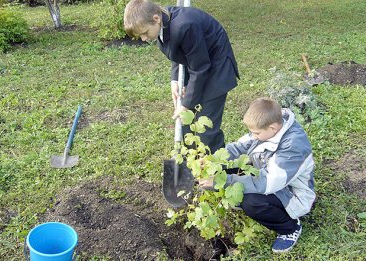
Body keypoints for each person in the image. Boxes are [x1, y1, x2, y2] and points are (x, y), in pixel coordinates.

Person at [199, 97, 316, 253]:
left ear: (273, 128)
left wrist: (226, 181)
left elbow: (267, 182)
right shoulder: (268, 128)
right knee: (228, 170)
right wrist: (213, 160)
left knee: (251, 202)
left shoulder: (293, 146)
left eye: (256, 133)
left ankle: (289, 228)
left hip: (292, 194)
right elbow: (239, 148)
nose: (253, 136)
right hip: (268, 174)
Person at [124, 0, 239, 153]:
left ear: (156, 19)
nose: (144, 39)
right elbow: (178, 51)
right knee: (187, 124)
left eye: (144, 33)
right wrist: (175, 80)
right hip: (198, 64)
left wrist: (186, 103)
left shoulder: (184, 26)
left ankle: (218, 174)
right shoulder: (163, 21)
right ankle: (189, 169)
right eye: (140, 36)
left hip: (216, 69)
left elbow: (201, 67)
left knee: (206, 130)